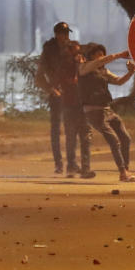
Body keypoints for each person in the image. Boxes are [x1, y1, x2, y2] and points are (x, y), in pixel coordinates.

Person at [79, 44, 135, 182]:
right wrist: (119, 55)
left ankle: (126, 171)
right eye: (98, 54)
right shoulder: (84, 68)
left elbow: (118, 81)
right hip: (94, 111)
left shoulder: (103, 71)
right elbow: (101, 61)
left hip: (107, 110)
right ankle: (123, 172)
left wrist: (130, 72)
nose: (101, 57)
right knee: (114, 140)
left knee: (125, 138)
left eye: (102, 53)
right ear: (91, 56)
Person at [35, 22, 73, 173]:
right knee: (56, 129)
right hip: (56, 92)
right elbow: (40, 75)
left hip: (71, 92)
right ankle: (58, 163)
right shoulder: (49, 49)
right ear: (57, 34)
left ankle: (72, 162)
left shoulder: (72, 47)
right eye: (63, 33)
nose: (66, 37)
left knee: (71, 127)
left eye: (67, 33)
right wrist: (50, 89)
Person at [60, 41, 95, 178]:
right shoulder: (66, 66)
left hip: (83, 106)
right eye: (74, 52)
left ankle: (84, 167)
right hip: (70, 105)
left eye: (78, 52)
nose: (77, 55)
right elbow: (70, 82)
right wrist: (76, 66)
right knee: (72, 138)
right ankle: (72, 166)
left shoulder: (84, 66)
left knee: (85, 138)